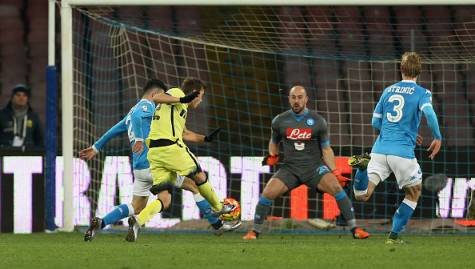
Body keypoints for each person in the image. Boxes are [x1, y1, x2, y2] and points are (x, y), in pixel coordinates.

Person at [80, 79, 237, 241]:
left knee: (137, 206)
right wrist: (140, 139)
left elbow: (114, 130)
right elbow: (137, 115)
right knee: (192, 185)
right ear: (156, 94)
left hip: (139, 167)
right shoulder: (146, 106)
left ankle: (101, 222)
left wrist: (96, 147)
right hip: (154, 161)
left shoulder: (135, 112)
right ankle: (217, 224)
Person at [242, 86, 370, 240]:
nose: (297, 101)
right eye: (293, 97)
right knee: (267, 193)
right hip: (290, 169)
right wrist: (273, 154)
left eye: (300, 97)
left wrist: (335, 172)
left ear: (306, 99)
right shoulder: (279, 121)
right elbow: (273, 141)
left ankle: (355, 229)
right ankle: (254, 231)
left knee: (336, 187)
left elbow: (326, 150)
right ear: (289, 99)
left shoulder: (318, 121)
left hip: (314, 168)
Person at [126, 78, 238, 242]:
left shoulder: (176, 110)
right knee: (199, 176)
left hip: (155, 154)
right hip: (170, 148)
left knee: (165, 199)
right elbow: (156, 97)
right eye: (201, 96)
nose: (201, 100)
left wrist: (205, 138)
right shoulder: (177, 93)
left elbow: (185, 134)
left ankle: (137, 221)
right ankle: (220, 208)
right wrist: (183, 98)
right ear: (195, 93)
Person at [349, 52, 442, 244]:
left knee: (363, 195)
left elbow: (375, 122)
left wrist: (400, 130)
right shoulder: (422, 93)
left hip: (379, 150)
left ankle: (361, 169)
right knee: (414, 192)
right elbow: (430, 114)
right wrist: (438, 137)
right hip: (402, 153)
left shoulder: (388, 90)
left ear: (401, 69)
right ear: (420, 70)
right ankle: (394, 236)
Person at [0, 84, 43, 151]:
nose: (21, 98)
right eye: (18, 95)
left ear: (27, 99)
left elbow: (40, 139)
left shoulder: (33, 116)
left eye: (24, 95)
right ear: (12, 98)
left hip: (28, 155)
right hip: (5, 154)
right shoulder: (2, 115)